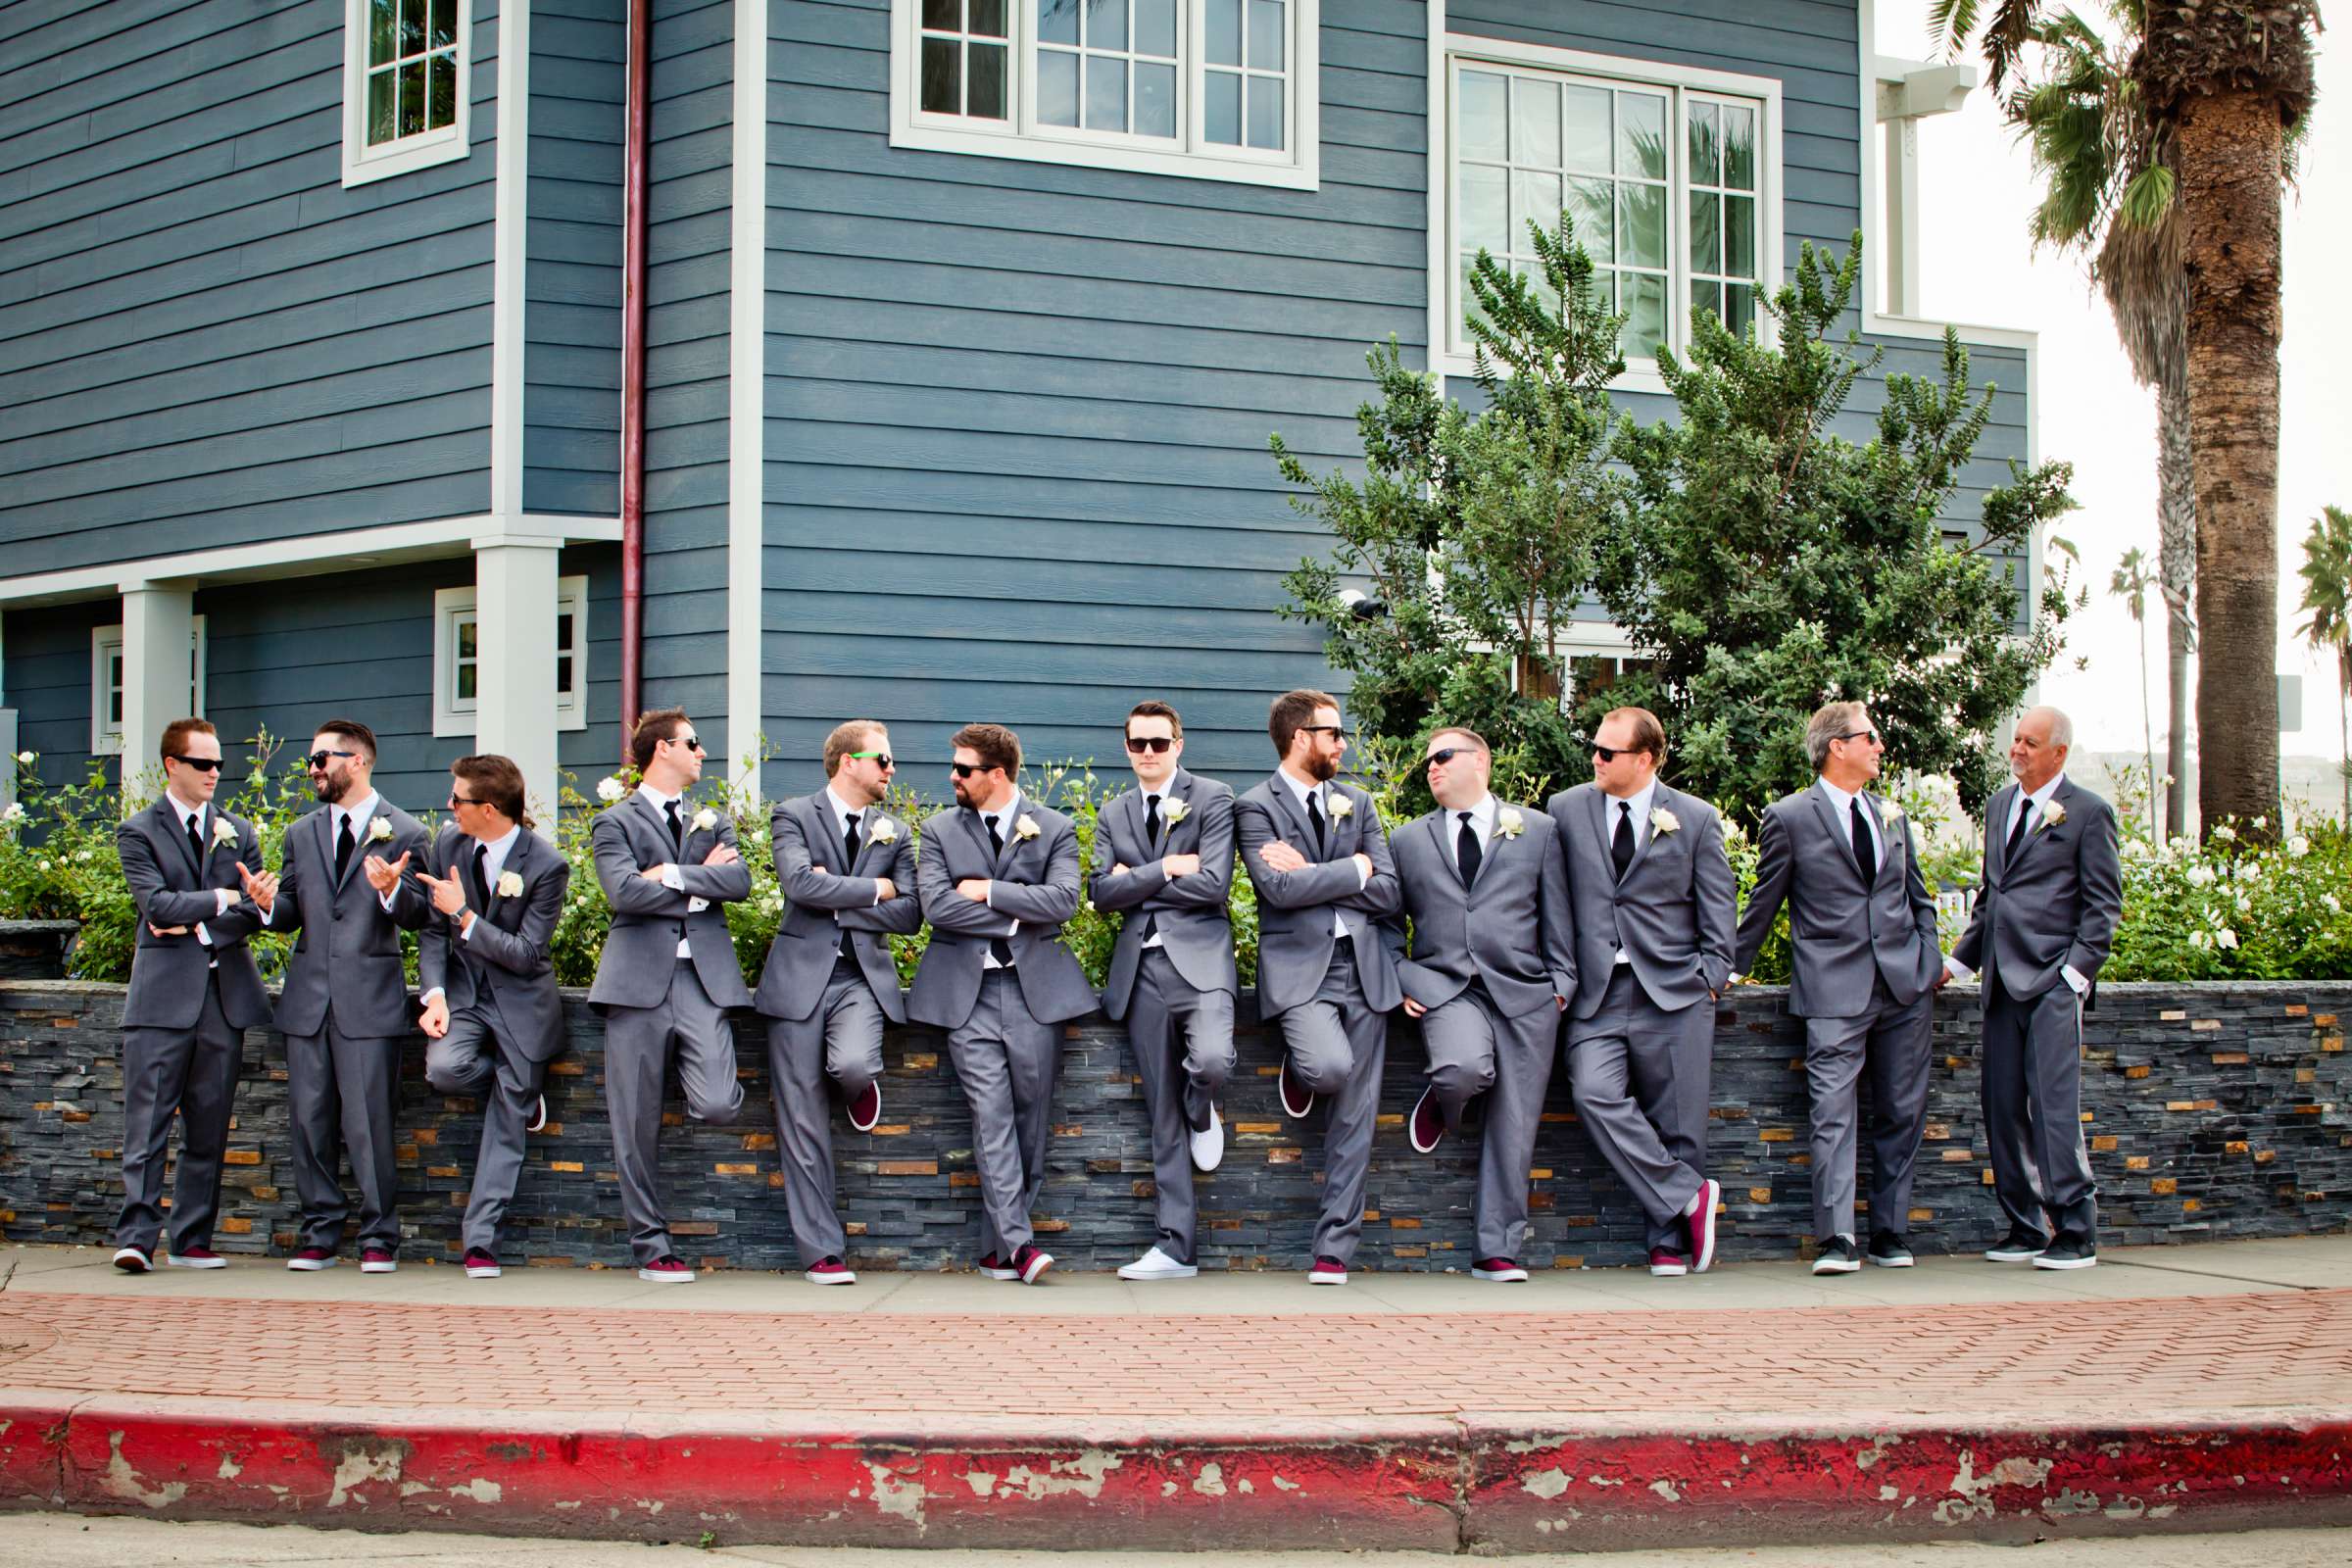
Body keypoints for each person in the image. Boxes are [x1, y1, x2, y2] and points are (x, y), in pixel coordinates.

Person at [1734, 702, 1944, 1275]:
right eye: (1869, 737)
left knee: (1902, 1111)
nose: (1879, 747)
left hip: (1905, 986)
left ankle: (1890, 1233)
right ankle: (1836, 1239)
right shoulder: (1789, 816)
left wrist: (1930, 957)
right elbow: (1766, 899)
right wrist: (1730, 966)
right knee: (1832, 1112)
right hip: (1832, 987)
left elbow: (1917, 896)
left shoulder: (1891, 814)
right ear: (1837, 747)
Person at [1544, 708, 1731, 1278]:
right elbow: (1553, 898)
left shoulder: (1694, 819)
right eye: (1594, 748)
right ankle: (1688, 1196)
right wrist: (1560, 975)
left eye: (1607, 752)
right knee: (1595, 1093)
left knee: (1679, 1123)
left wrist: (1711, 977)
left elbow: (1719, 905)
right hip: (1596, 993)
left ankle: (1667, 1243)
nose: (1594, 760)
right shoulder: (1565, 809)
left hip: (1675, 990)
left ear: (1645, 759)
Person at [1386, 728, 1576, 1283]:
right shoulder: (1408, 841)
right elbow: (1385, 925)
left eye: (1442, 757)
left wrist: (1561, 984)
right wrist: (1401, 976)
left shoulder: (1537, 830)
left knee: (1516, 1126)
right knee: (1460, 1070)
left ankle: (1496, 1252)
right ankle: (1444, 1101)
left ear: (1481, 762)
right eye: (1426, 762)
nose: (1431, 768)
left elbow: (1557, 912)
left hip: (1525, 993)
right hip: (1444, 986)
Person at [909, 722, 1094, 1285]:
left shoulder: (1055, 827)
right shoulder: (939, 829)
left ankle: (997, 1250)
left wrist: (989, 892)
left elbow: (1064, 900)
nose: (954, 778)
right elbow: (937, 906)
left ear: (997, 774)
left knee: (1031, 1120)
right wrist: (1021, 912)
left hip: (1034, 991)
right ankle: (1020, 1246)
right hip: (967, 995)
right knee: (990, 1116)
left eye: (964, 770)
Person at [1235, 690, 1402, 1286]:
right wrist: (1354, 869)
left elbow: (1390, 893)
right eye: (1333, 733)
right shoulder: (1254, 807)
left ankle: (1334, 1250)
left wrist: (1314, 874)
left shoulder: (1358, 802)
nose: (1342, 743)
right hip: (1301, 970)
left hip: (1365, 969)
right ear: (1301, 736)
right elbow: (1275, 893)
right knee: (1330, 1069)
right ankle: (1302, 1065)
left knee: (1357, 1115)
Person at [251, 718, 431, 1273]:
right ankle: (320, 1231)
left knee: (369, 1123)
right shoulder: (300, 833)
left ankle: (379, 1236)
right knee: (309, 1121)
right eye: (309, 760)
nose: (312, 769)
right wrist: (263, 903)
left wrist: (394, 891)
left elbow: (424, 916)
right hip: (308, 999)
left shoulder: (406, 832)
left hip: (369, 1001)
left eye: (322, 758)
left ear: (358, 761)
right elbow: (291, 913)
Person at [1946, 706, 2123, 1271]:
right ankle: (2023, 1225)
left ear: (2059, 753)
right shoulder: (2000, 806)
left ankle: (2075, 1230)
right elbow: (1990, 898)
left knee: (2053, 1111)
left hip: (2052, 983)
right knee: (2000, 1108)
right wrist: (1959, 963)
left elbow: (2103, 907)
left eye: (2031, 741)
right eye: (2016, 739)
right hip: (2001, 983)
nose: (2017, 748)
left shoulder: (2089, 814)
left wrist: (2074, 977)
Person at [753, 720, 921, 1285]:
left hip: (860, 980)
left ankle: (858, 1084)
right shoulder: (793, 815)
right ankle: (822, 1252)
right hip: (798, 980)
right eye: (883, 759)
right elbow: (799, 885)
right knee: (800, 1121)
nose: (891, 770)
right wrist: (877, 890)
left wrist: (839, 896)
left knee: (851, 1063)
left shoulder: (895, 831)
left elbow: (912, 912)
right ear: (848, 761)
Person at [587, 709, 753, 1283]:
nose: (703, 752)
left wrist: (671, 875)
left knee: (718, 1103)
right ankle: (651, 1246)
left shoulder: (713, 819)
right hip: (635, 986)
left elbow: (740, 883)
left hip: (701, 981)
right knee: (633, 1123)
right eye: (694, 743)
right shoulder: (614, 821)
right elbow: (624, 892)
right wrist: (696, 879)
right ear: (662, 750)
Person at [109, 718, 270, 1273]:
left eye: (219, 764)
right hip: (160, 1000)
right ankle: (136, 1238)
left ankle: (192, 1239)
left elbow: (257, 911)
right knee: (148, 1123)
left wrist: (201, 918)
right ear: (172, 765)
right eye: (203, 764)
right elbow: (155, 905)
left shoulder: (238, 830)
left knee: (209, 1120)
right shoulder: (138, 831)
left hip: (223, 996)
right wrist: (223, 896)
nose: (214, 774)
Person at [1090, 701, 1238, 1282]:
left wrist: (1139, 879)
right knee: (1159, 1114)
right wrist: (1170, 867)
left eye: (1158, 742)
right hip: (1140, 972)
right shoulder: (1112, 812)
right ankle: (1176, 1248)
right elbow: (1102, 894)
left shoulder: (1214, 797)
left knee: (1210, 1061)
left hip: (1201, 963)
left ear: (1179, 744)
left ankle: (1203, 1110)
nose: (1147, 753)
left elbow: (1214, 884)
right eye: (1136, 744)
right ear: (1126, 748)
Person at [415, 754, 569, 1281]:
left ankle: (480, 1243)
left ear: (489, 808)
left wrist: (464, 913)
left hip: (521, 1003)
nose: (448, 807)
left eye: (457, 800)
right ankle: (519, 1094)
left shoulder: (547, 864)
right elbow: (433, 933)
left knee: (506, 1126)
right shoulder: (447, 843)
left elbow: (526, 953)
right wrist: (434, 995)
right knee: (444, 1071)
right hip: (464, 997)